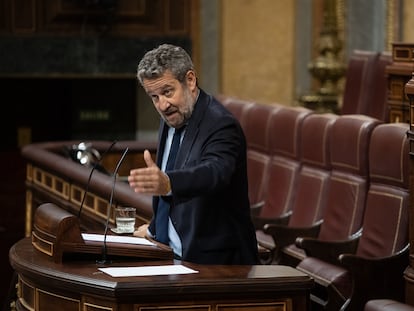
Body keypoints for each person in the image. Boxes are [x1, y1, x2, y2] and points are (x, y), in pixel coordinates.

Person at [128, 43, 259, 265]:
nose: (162, 104)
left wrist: (169, 182)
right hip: (171, 253)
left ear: (190, 80)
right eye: (154, 97)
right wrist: (154, 230)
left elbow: (214, 172)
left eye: (167, 92)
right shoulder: (171, 117)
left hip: (215, 264)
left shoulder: (221, 124)